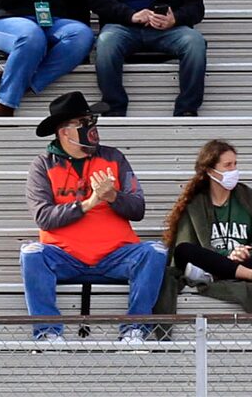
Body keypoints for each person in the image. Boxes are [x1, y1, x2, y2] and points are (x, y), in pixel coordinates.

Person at [20, 90, 166, 344]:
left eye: (93, 120)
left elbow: (138, 207)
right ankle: (48, 333)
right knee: (31, 253)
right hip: (64, 256)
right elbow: (43, 216)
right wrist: (88, 204)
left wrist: (112, 197)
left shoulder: (114, 157)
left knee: (155, 252)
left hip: (116, 255)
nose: (92, 127)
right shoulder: (43, 165)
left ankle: (134, 330)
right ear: (64, 131)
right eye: (84, 122)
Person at [155, 138, 252, 319]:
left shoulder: (251, 199)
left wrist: (246, 252)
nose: (234, 170)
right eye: (227, 165)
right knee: (183, 251)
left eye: (235, 164)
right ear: (209, 171)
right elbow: (185, 247)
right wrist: (225, 257)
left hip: (241, 261)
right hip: (211, 260)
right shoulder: (194, 204)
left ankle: (215, 276)